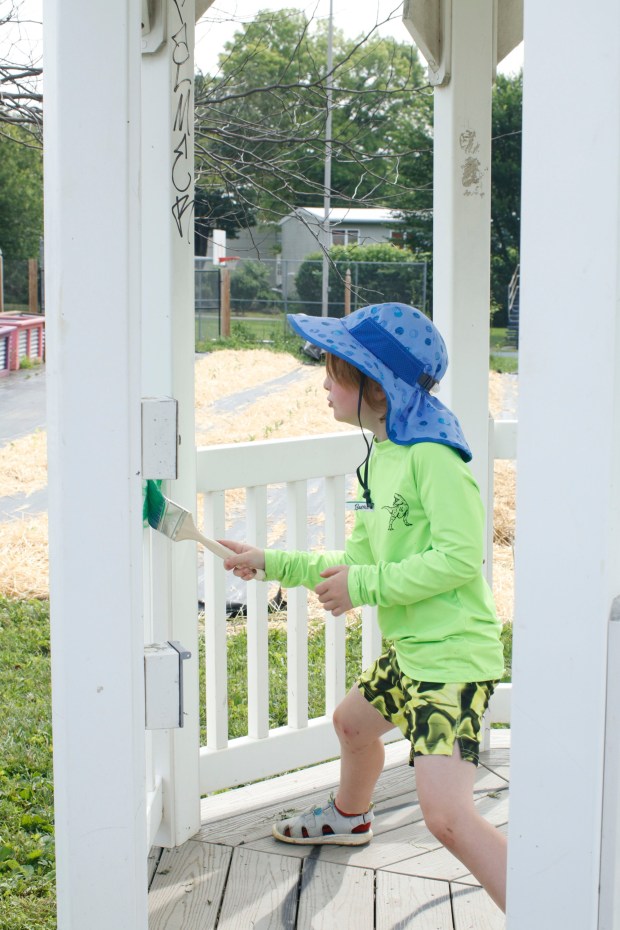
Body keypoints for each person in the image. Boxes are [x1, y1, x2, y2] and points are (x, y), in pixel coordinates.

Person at [222, 302, 507, 912]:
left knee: (447, 818)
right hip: (414, 652)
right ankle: (349, 817)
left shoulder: (434, 457)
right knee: (352, 724)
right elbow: (355, 560)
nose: (324, 385)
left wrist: (364, 586)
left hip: (452, 663)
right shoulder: (380, 456)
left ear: (377, 387)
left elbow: (460, 560)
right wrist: (269, 562)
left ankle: (550, 909)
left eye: (335, 372)